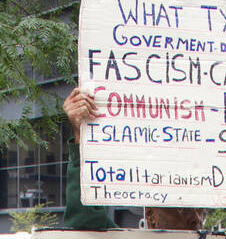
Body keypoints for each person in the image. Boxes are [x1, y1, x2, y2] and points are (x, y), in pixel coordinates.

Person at [63, 88, 204, 231]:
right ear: (151, 216)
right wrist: (82, 134)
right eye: (182, 209)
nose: (196, 219)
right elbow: (86, 221)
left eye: (200, 210)